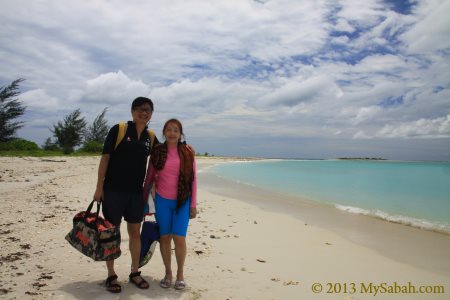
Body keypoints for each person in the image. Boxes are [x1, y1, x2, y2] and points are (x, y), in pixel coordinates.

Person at [93, 97, 159, 293]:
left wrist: (185, 150)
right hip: (113, 191)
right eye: (139, 109)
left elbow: (164, 154)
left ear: (151, 114)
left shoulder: (151, 137)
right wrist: (99, 188)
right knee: (111, 233)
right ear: (132, 111)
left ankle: (135, 272)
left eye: (147, 110)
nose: (143, 112)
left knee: (134, 233)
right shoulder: (119, 129)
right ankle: (111, 275)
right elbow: (105, 159)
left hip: (136, 194)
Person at [143, 118, 197, 291]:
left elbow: (193, 180)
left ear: (180, 134)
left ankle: (180, 274)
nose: (172, 133)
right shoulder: (157, 152)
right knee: (165, 238)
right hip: (162, 202)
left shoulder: (188, 152)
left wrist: (193, 204)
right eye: (169, 129)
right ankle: (168, 273)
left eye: (176, 130)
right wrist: (143, 200)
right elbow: (149, 177)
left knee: (179, 238)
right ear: (164, 132)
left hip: (183, 201)